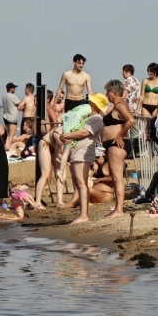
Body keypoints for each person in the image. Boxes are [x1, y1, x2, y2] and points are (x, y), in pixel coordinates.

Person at [60, 93, 108, 224]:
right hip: (78, 150)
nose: (88, 102)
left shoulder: (97, 119)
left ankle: (84, 215)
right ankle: (82, 213)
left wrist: (66, 135)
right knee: (78, 183)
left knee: (81, 183)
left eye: (91, 101)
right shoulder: (90, 117)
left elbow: (84, 133)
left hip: (84, 151)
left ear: (94, 105)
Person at [99, 79, 135, 218]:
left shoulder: (120, 105)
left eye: (107, 92)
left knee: (117, 177)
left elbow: (130, 120)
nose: (106, 94)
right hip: (112, 144)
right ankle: (118, 208)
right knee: (115, 177)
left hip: (117, 144)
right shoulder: (115, 106)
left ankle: (119, 209)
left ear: (113, 93)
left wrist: (119, 135)